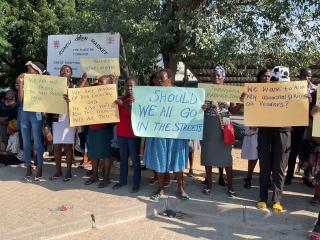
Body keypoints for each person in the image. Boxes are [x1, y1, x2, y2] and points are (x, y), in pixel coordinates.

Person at [144, 69, 190, 200]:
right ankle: (161, 188)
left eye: (162, 79)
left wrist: (200, 108)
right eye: (158, 79)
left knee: (178, 162)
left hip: (176, 134)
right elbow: (145, 109)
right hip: (159, 133)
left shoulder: (181, 94)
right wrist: (138, 104)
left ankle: (181, 189)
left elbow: (190, 109)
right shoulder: (153, 94)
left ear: (170, 79)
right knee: (160, 161)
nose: (159, 81)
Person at [201, 66, 242, 197]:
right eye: (214, 75)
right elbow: (197, 108)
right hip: (208, 125)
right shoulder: (204, 92)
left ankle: (230, 187)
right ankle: (209, 184)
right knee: (207, 154)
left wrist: (241, 103)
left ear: (223, 77)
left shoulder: (229, 92)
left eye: (219, 75)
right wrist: (203, 106)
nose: (216, 77)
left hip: (224, 126)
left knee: (226, 157)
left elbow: (233, 111)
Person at [256, 66, 291, 212]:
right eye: (275, 81)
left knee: (279, 167)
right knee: (265, 166)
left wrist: (305, 102)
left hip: (283, 133)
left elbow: (302, 113)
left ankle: (277, 200)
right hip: (265, 131)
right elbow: (253, 108)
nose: (278, 85)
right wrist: (246, 99)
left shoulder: (293, 94)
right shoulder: (262, 93)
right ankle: (262, 198)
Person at [285, 68, 316, 186]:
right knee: (292, 151)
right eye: (304, 76)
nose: (306, 78)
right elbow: (290, 108)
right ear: (299, 77)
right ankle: (289, 175)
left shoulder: (316, 90)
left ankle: (306, 177)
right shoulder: (293, 89)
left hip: (310, 125)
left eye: (309, 76)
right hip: (297, 125)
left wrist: (311, 101)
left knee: (308, 152)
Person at [18, 61, 48, 181]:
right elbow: (20, 100)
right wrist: (21, 85)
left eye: (29, 69)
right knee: (25, 143)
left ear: (36, 71)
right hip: (25, 112)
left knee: (37, 142)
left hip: (36, 114)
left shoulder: (44, 83)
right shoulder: (25, 82)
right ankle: (28, 169)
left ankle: (39, 169)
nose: (27, 71)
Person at [84, 74, 115, 188]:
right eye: (99, 82)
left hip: (104, 129)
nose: (99, 83)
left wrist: (113, 86)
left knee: (106, 154)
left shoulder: (111, 97)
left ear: (108, 85)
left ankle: (106, 178)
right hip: (92, 128)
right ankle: (95, 175)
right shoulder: (92, 94)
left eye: (102, 82)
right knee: (93, 154)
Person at [242, 69, 271, 189]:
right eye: (264, 76)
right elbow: (249, 108)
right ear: (259, 78)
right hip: (255, 129)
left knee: (267, 158)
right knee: (253, 156)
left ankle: (267, 180)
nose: (267, 78)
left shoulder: (275, 92)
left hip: (269, 128)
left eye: (269, 76)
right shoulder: (252, 90)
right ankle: (249, 177)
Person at [112, 78, 141, 193]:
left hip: (133, 135)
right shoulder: (121, 99)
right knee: (123, 159)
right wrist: (113, 84)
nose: (129, 88)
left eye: (132, 86)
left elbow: (135, 113)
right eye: (127, 86)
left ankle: (136, 183)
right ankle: (122, 181)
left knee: (135, 160)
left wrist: (123, 105)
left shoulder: (137, 100)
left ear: (136, 87)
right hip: (121, 134)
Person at [49, 65, 76, 182]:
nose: (65, 72)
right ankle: (58, 170)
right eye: (62, 70)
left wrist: (71, 100)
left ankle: (69, 171)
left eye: (67, 71)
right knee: (57, 146)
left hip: (69, 120)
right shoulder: (54, 87)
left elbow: (80, 103)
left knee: (68, 146)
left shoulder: (74, 87)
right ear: (59, 73)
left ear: (71, 74)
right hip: (57, 119)